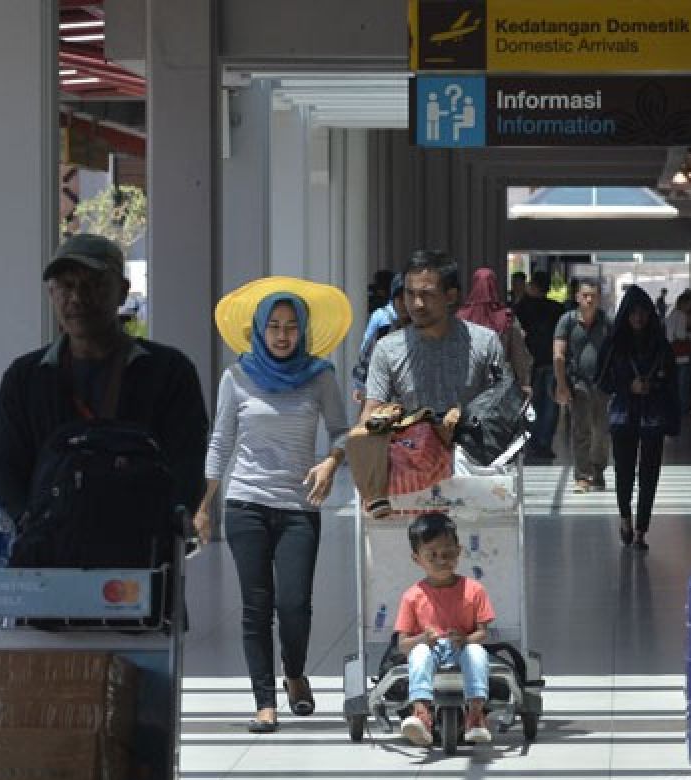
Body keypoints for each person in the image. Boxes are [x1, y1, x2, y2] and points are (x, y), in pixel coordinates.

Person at [197, 279, 352, 733]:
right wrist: (205, 504)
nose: (282, 336)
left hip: (299, 505)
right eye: (274, 327)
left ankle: (295, 672)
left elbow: (342, 430)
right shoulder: (237, 377)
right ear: (259, 331)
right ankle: (264, 700)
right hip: (246, 502)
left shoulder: (320, 375)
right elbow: (221, 441)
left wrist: (330, 462)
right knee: (256, 606)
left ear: (302, 331)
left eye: (290, 327)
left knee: (295, 604)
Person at [0, 233, 209, 523]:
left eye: (94, 284)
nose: (77, 298)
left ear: (123, 291)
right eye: (66, 286)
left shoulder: (169, 372)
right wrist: (29, 534)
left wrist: (164, 532)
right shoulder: (24, 378)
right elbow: (5, 472)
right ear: (51, 294)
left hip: (138, 553)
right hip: (47, 554)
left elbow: (187, 465)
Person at [346, 250, 509, 517]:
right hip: (407, 485)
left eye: (427, 294)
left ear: (451, 296)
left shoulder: (484, 343)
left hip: (470, 480)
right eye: (410, 294)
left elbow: (502, 410)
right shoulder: (387, 349)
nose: (417, 303)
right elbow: (370, 414)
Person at [395, 512, 495, 746]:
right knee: (419, 652)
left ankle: (475, 715)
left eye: (448, 553)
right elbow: (403, 644)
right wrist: (421, 638)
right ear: (417, 559)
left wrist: (467, 639)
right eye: (432, 555)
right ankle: (421, 713)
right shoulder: (412, 596)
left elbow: (483, 633)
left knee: (477, 652)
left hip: (461, 648)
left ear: (459, 552)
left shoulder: (474, 590)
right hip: (430, 649)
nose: (441, 560)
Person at [597, 286, 678, 550]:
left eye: (643, 313)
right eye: (633, 313)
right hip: (623, 415)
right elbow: (602, 380)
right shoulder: (614, 345)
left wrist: (656, 389)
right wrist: (627, 386)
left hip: (653, 417)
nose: (638, 319)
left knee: (650, 473)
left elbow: (672, 383)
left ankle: (642, 527)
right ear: (626, 315)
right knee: (624, 471)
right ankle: (625, 518)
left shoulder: (660, 346)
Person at [554, 277, 612, 493]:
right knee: (581, 431)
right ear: (577, 297)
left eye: (593, 296)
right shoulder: (567, 321)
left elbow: (617, 351)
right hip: (578, 385)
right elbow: (558, 354)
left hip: (604, 386)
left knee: (602, 432)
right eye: (585, 295)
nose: (589, 299)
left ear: (599, 298)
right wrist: (561, 384)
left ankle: (598, 472)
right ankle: (582, 476)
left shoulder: (606, 322)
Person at [457, 267, 532, 391]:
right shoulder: (507, 317)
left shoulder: (460, 317)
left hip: (467, 379)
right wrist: (524, 382)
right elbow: (518, 352)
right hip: (499, 380)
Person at [515, 270, 565, 458]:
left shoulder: (522, 308)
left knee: (530, 405)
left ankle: (531, 443)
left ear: (533, 285)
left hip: (530, 364)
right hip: (551, 361)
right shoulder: (557, 309)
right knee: (550, 406)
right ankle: (544, 444)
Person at [352, 273, 407, 402]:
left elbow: (365, 348)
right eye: (401, 298)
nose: (405, 303)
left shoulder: (380, 315)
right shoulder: (382, 317)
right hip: (382, 383)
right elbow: (367, 349)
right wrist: (360, 384)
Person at [665, 290, 691, 418]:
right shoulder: (682, 316)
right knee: (685, 384)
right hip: (683, 354)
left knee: (675, 384)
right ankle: (685, 410)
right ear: (685, 303)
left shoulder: (670, 314)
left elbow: (670, 336)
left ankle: (676, 408)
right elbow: (681, 335)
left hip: (672, 354)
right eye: (690, 304)